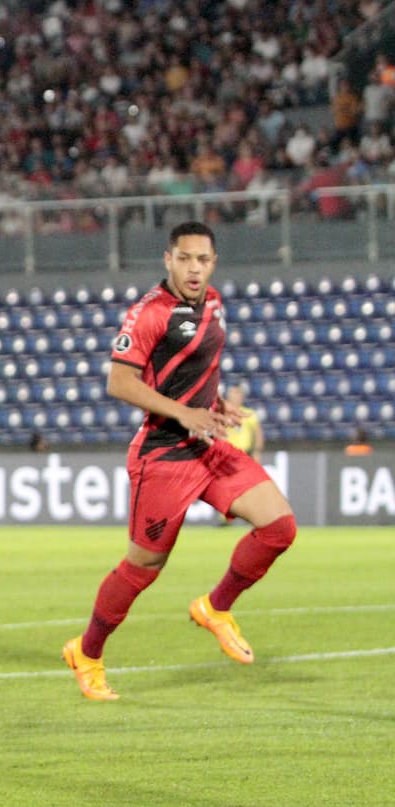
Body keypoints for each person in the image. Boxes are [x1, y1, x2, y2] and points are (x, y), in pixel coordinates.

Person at [62, 222, 298, 701]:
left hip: (206, 446)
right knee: (143, 568)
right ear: (168, 260)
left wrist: (212, 404)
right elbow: (119, 383)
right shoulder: (150, 312)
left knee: (279, 527)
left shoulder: (213, 303)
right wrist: (184, 412)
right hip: (163, 455)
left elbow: (197, 368)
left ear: (214, 263)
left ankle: (215, 607)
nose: (194, 268)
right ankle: (87, 653)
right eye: (185, 258)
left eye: (203, 260)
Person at [222, 383, 263, 462]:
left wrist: (257, 451)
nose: (236, 397)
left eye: (239, 394)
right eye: (234, 394)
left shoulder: (249, 413)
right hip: (228, 454)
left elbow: (258, 433)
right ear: (228, 396)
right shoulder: (223, 413)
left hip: (246, 453)